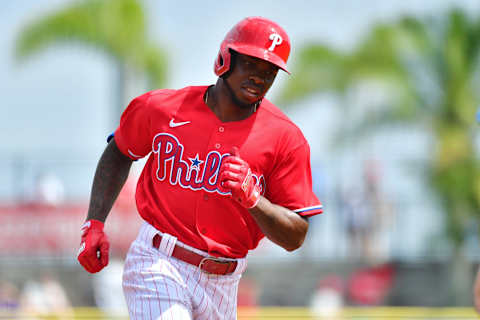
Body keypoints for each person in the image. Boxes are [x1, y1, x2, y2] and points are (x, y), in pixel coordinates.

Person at [77, 16, 323, 319]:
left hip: (224, 283)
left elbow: (295, 235)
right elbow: (120, 150)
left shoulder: (286, 138)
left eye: (270, 71)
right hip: (159, 261)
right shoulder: (162, 108)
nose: (259, 77)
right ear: (225, 59)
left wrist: (254, 201)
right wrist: (94, 222)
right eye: (251, 64)